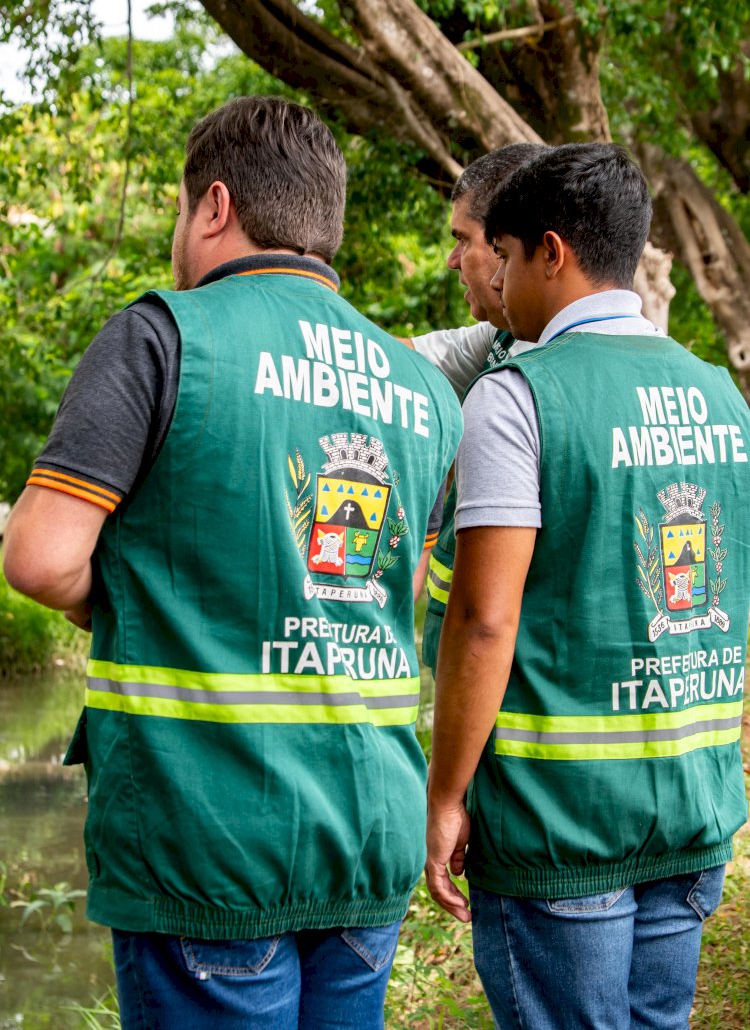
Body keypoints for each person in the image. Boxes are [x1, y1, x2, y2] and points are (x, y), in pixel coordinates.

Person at [3, 95, 463, 1029]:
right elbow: (393, 595)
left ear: (214, 205)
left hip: (207, 829)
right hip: (370, 829)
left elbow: (42, 560)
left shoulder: (161, 335)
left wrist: (158, 597)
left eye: (180, 209)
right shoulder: (424, 390)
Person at [425, 143, 750, 1029]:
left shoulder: (518, 394)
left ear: (551, 253)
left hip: (560, 823)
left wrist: (446, 793)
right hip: (691, 809)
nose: (491, 277)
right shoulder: (723, 399)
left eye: (502, 253)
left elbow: (485, 621)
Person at [408, 144, 538, 670]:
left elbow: (488, 621)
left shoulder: (537, 378)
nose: (452, 260)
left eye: (464, 240)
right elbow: (389, 357)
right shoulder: (497, 340)